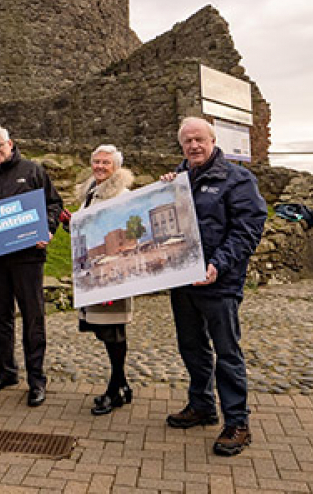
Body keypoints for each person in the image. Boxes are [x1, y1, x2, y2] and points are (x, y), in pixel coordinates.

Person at [162, 117, 267, 457]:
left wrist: (217, 264)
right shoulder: (176, 180)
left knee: (227, 353)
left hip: (219, 282)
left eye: (199, 139)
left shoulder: (238, 179)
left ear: (212, 140)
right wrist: (163, 190)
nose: (193, 146)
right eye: (187, 141)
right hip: (182, 280)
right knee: (191, 347)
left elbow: (247, 229)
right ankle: (202, 405)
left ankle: (238, 423)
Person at [0, 127, 63, 407]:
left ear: (10, 144)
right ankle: (6, 372)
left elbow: (54, 204)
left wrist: (47, 230)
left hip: (27, 258)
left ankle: (36, 379)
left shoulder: (33, 170)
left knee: (33, 318)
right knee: (0, 317)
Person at [72, 144, 137, 415]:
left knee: (113, 331)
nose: (99, 167)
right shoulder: (91, 193)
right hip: (94, 273)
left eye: (105, 163)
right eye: (96, 162)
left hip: (114, 273)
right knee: (104, 331)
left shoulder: (123, 195)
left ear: (116, 167)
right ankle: (121, 385)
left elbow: (132, 229)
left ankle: (115, 389)